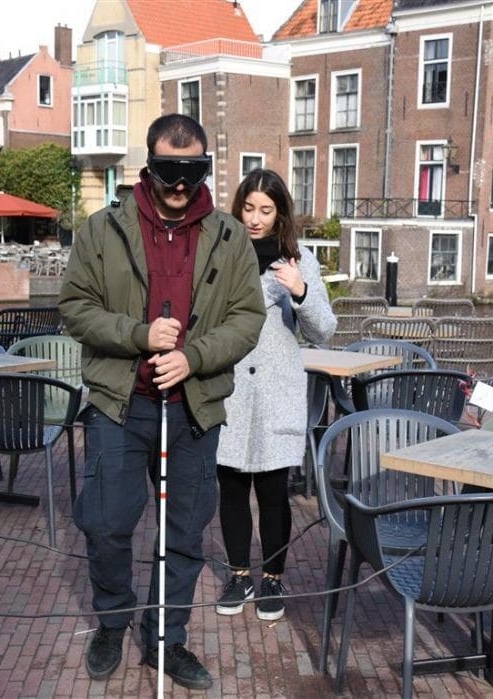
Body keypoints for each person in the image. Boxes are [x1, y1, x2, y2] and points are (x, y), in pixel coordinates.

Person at [59, 114, 265, 691]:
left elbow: (247, 318)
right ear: (147, 166)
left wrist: (193, 358)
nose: (179, 184)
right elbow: (75, 308)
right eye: (168, 170)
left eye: (192, 171)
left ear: (205, 169)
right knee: (106, 522)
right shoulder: (102, 230)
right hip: (120, 403)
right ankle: (112, 623)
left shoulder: (230, 237)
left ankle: (165, 639)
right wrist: (138, 335)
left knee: (184, 531)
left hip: (193, 407)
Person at [213, 169, 336, 621]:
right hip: (229, 387)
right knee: (230, 486)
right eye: (248, 208)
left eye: (266, 210)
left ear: (280, 212)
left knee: (272, 490)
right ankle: (239, 575)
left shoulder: (299, 259)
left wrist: (299, 290)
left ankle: (273, 578)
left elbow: (323, 331)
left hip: (276, 389)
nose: (255, 219)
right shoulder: (222, 253)